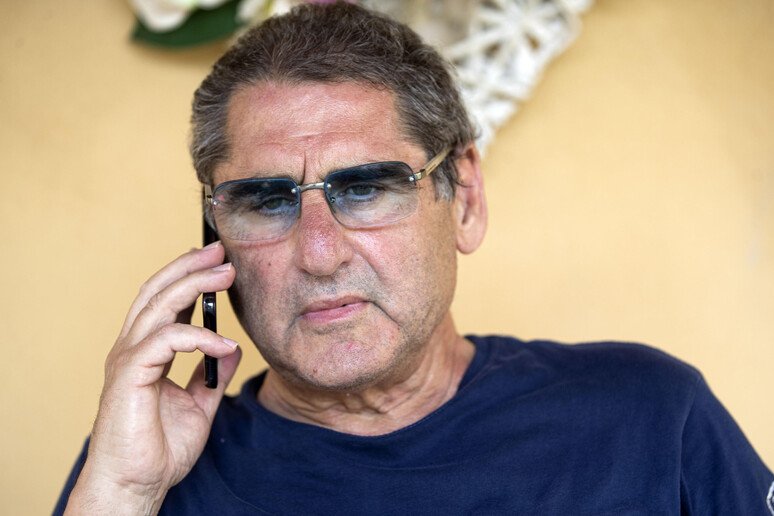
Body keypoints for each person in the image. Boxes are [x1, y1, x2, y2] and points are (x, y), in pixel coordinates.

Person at [56, 3, 772, 514]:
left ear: (464, 199)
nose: (320, 254)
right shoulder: (149, 466)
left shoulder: (650, 417)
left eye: (366, 189)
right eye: (267, 202)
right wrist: (121, 493)